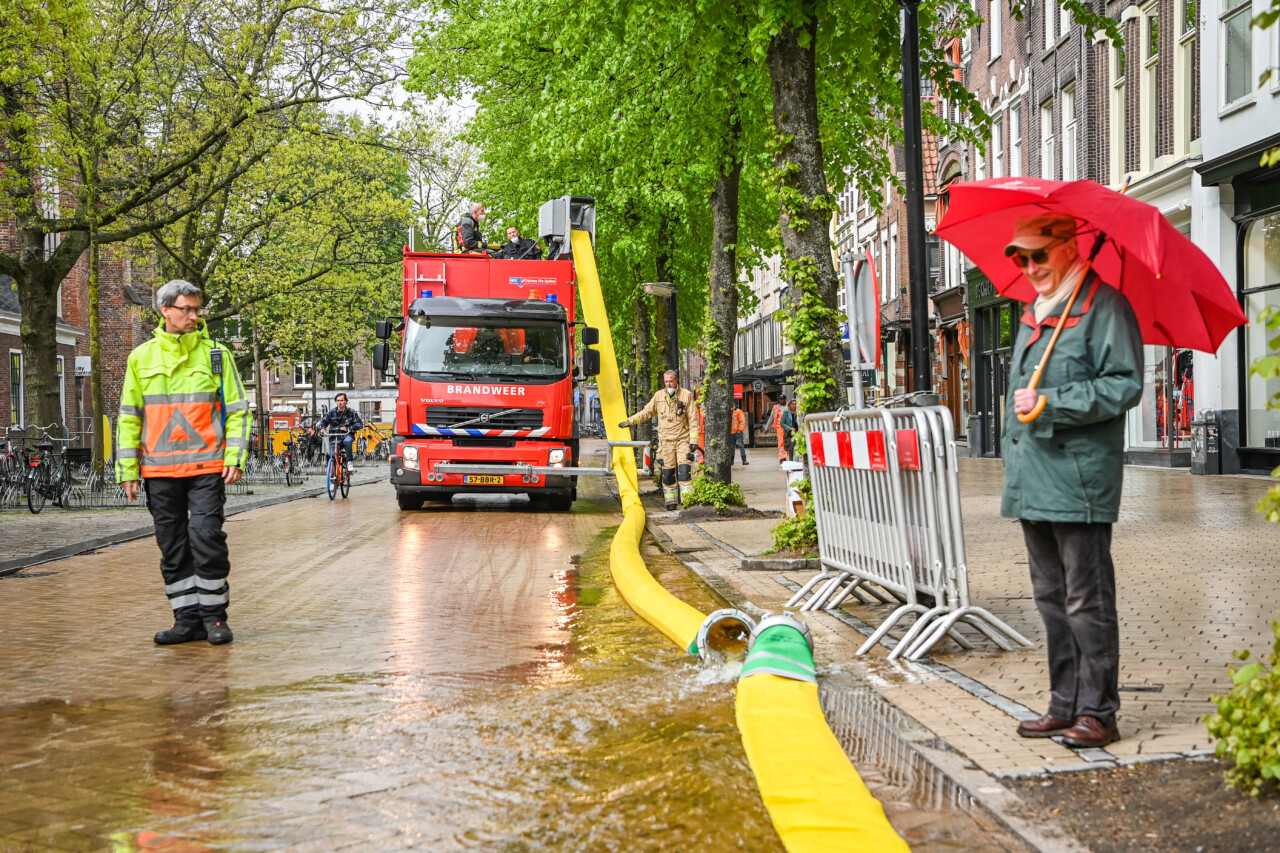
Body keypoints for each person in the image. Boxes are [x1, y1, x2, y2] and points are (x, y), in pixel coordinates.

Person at [1001, 212, 1143, 749]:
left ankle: (1098, 712)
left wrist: (1051, 402)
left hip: (1079, 480)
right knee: (1050, 599)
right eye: (1021, 258)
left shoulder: (1104, 306)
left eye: (1038, 255)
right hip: (1032, 478)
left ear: (1069, 248)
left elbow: (1124, 384)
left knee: (1087, 600)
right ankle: (1063, 705)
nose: (1030, 266)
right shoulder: (1034, 313)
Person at [117, 280, 251, 646]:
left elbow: (238, 411)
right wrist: (127, 470)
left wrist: (234, 456)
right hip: (159, 470)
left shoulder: (217, 355)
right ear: (166, 310)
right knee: (172, 546)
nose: (194, 315)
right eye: (186, 309)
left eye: (196, 309)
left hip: (206, 467)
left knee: (206, 538)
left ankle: (215, 619)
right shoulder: (140, 358)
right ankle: (187, 621)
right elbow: (129, 417)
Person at [620, 370, 698, 511]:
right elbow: (646, 412)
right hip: (666, 442)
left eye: (671, 381)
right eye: (666, 381)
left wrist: (694, 440)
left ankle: (688, 502)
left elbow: (693, 419)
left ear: (676, 381)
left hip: (683, 440)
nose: (668, 384)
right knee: (667, 474)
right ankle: (671, 502)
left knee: (684, 472)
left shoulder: (686, 395)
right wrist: (630, 421)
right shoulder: (658, 396)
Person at [317, 393, 365, 472]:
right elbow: (323, 422)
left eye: (342, 400)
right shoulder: (331, 412)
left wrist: (348, 428)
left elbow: (359, 424)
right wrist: (322, 428)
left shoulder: (352, 412)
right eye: (338, 400)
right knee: (333, 455)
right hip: (334, 436)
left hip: (347, 434)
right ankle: (333, 474)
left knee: (347, 441)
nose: (340, 402)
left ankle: (349, 462)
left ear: (346, 401)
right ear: (336, 401)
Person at [765, 395, 788, 464]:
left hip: (787, 428)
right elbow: (771, 418)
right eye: (780, 399)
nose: (781, 401)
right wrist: (766, 427)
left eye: (782, 399)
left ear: (785, 400)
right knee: (781, 443)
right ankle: (782, 458)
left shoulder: (788, 407)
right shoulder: (776, 407)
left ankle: (788, 457)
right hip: (780, 428)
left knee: (788, 442)